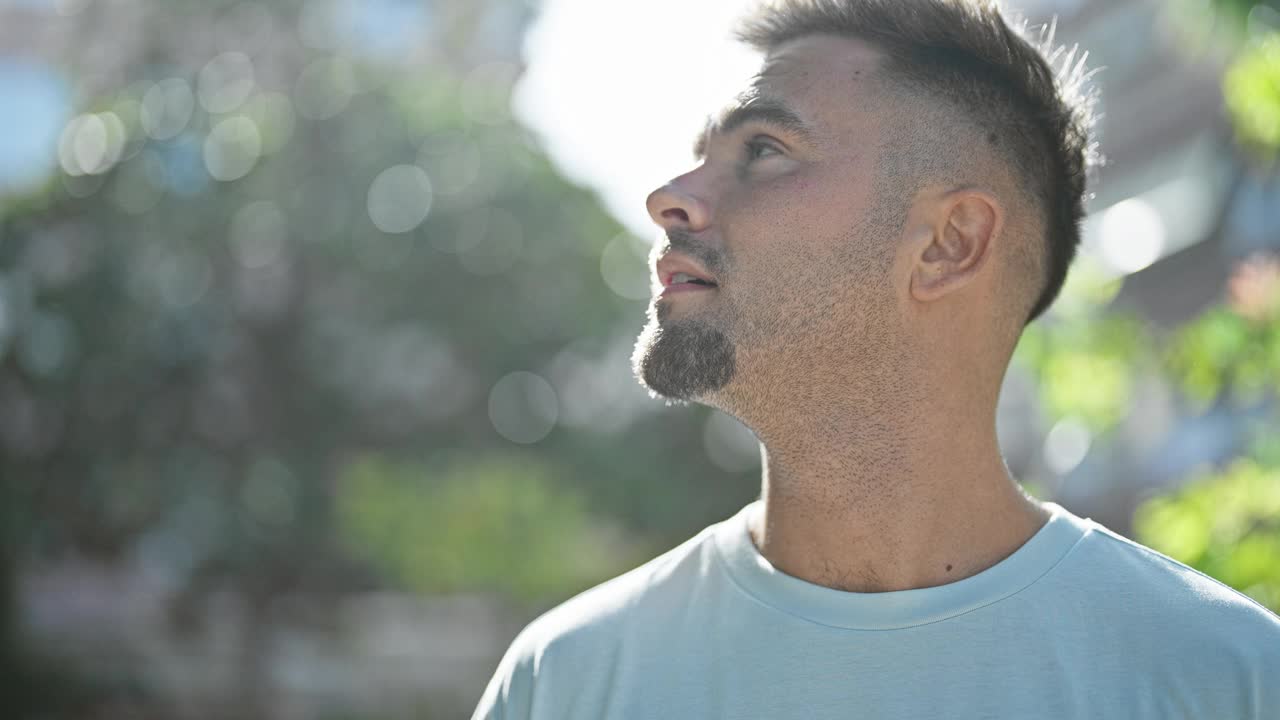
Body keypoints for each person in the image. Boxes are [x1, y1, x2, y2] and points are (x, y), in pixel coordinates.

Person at [471, 0, 1280, 717]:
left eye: (764, 150)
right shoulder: (565, 680)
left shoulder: (1226, 679)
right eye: (703, 155)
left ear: (948, 245)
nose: (670, 196)